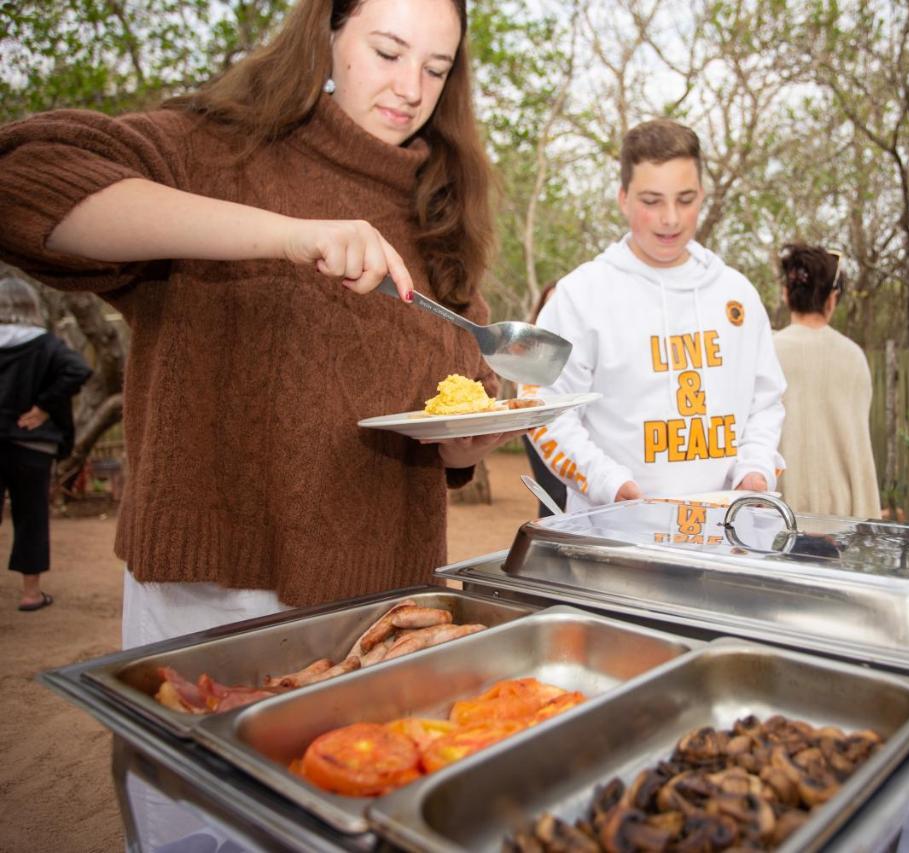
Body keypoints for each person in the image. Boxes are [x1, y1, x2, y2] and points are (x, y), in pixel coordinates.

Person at [0, 0, 520, 845]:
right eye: (387, 51)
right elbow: (26, 180)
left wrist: (475, 434)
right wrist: (284, 237)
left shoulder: (441, 208)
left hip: (376, 616)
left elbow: (451, 416)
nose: (410, 88)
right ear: (327, 33)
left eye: (436, 66)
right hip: (211, 609)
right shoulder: (215, 145)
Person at [531, 119, 786, 512]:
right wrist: (610, 484)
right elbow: (544, 408)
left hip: (727, 535)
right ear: (623, 199)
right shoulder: (580, 296)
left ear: (702, 195)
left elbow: (765, 403)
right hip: (614, 537)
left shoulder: (738, 294)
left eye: (685, 200)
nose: (670, 218)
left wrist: (755, 470)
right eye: (651, 201)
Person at [1, 273, 93, 611]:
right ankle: (30, 593)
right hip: (31, 445)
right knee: (31, 515)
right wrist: (43, 406)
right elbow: (79, 370)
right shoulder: (45, 344)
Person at [772, 243, 881, 518]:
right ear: (832, 299)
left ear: (786, 294)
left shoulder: (768, 352)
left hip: (778, 514)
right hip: (844, 518)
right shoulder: (854, 358)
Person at [520, 282, 568, 516]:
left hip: (574, 426)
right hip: (539, 425)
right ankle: (548, 549)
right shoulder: (529, 347)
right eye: (550, 304)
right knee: (553, 496)